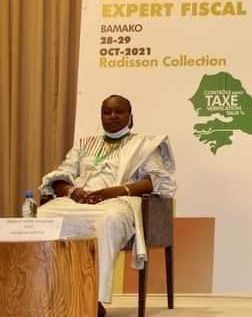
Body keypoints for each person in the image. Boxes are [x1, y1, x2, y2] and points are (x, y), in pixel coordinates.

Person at [38, 95, 176, 317]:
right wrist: (73, 191)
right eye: (107, 112)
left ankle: (94, 299)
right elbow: (61, 176)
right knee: (42, 216)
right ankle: (46, 293)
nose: (112, 116)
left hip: (117, 201)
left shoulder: (144, 145)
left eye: (118, 112)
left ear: (130, 117)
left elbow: (155, 180)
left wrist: (113, 192)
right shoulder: (84, 144)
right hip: (79, 201)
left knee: (109, 219)